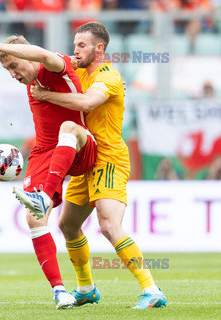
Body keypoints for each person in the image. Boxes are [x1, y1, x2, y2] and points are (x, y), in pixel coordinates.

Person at [29, 21, 167, 309]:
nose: (75, 50)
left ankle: (151, 289)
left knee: (108, 224)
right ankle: (87, 288)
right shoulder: (80, 71)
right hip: (85, 157)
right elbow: (50, 62)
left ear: (99, 48)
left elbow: (87, 103)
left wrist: (44, 95)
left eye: (82, 45)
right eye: (75, 44)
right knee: (67, 224)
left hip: (109, 157)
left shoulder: (109, 75)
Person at [0, 30, 97, 309]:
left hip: (81, 144)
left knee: (67, 128)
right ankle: (60, 291)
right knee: (33, 219)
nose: (13, 74)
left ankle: (46, 195)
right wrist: (7, 54)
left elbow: (41, 55)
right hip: (45, 152)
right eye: (7, 70)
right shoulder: (31, 83)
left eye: (14, 65)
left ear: (24, 56)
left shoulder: (54, 66)